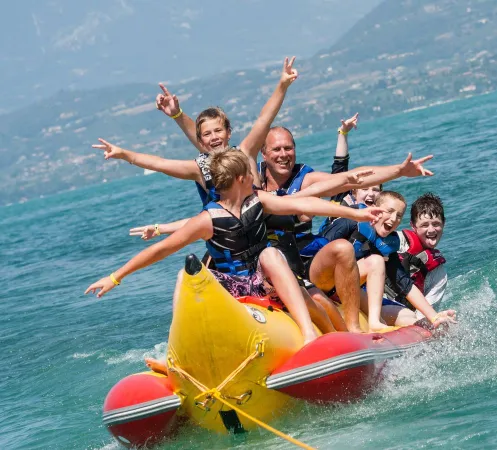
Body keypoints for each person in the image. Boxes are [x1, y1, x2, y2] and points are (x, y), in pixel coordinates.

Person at [85, 150, 385, 344]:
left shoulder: (258, 200)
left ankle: (312, 334)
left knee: (272, 256)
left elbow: (305, 203)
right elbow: (161, 249)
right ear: (241, 179)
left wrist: (356, 213)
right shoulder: (208, 219)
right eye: (250, 175)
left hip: (264, 280)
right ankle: (177, 349)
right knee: (185, 276)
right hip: (231, 287)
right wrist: (115, 277)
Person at [93, 56, 300, 206]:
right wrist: (123, 154)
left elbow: (265, 118)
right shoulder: (200, 169)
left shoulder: (246, 153)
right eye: (208, 135)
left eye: (218, 131)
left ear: (229, 132)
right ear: (201, 141)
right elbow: (159, 163)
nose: (214, 138)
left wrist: (282, 85)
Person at [319, 191, 456, 330]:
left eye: (398, 216)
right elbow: (319, 249)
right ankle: (374, 322)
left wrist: (434, 316)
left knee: (408, 317)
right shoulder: (350, 222)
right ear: (375, 210)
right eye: (389, 211)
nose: (393, 218)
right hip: (323, 279)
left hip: (346, 288)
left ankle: (378, 326)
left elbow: (404, 283)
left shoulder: (387, 244)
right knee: (376, 262)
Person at [383, 192, 448, 317]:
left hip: (404, 315)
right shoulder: (396, 241)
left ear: (443, 223)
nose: (431, 230)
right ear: (413, 226)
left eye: (436, 224)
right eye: (424, 225)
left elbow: (424, 315)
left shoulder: (439, 274)